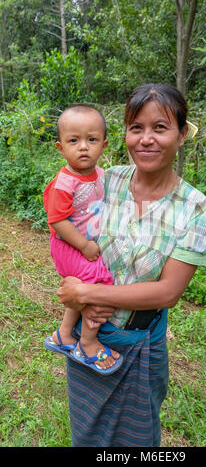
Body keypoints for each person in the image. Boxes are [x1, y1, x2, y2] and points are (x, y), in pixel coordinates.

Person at [56, 83, 206, 447]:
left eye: (160, 128)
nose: (146, 139)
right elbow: (67, 230)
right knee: (88, 430)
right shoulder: (104, 181)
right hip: (89, 334)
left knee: (137, 438)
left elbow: (168, 291)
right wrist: (78, 291)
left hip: (142, 340)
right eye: (136, 128)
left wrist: (86, 291)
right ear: (125, 134)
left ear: (180, 135)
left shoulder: (196, 208)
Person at [43, 104, 123, 374]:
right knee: (101, 286)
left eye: (92, 139)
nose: (83, 147)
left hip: (82, 246)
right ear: (60, 147)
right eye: (73, 140)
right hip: (69, 245)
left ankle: (64, 335)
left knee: (82, 284)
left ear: (104, 144)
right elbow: (57, 220)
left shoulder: (100, 174)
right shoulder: (65, 182)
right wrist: (85, 245)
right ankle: (87, 343)